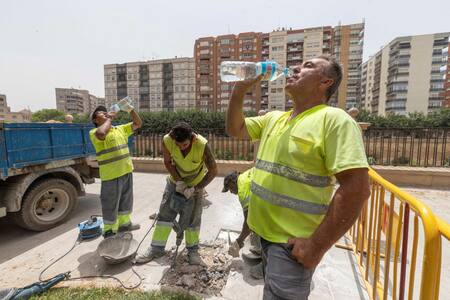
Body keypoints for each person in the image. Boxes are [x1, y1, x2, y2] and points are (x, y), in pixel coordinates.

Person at [226, 55, 370, 299]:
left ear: (325, 82)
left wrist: (316, 246)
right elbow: (235, 128)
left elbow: (356, 189)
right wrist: (239, 90)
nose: (295, 67)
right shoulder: (274, 118)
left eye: (308, 66)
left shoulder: (335, 120)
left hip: (291, 245)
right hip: (263, 236)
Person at [135, 122, 218, 265]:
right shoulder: (168, 140)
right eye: (178, 145)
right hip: (175, 183)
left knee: (193, 220)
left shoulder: (202, 145)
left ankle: (192, 251)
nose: (181, 147)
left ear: (192, 138)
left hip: (195, 184)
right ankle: (156, 248)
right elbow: (167, 162)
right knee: (165, 215)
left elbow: (213, 171)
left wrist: (196, 189)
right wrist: (179, 182)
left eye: (184, 145)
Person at [89, 103, 142, 238]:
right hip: (111, 176)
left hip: (126, 171)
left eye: (105, 112)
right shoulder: (94, 132)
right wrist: (109, 119)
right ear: (95, 120)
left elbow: (138, 123)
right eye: (101, 113)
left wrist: (131, 109)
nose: (105, 113)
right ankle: (109, 230)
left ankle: (125, 225)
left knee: (126, 201)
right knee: (110, 204)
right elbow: (101, 133)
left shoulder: (120, 129)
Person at [222, 168, 264, 280]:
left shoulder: (242, 189)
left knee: (266, 225)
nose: (231, 192)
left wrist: (238, 242)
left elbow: (248, 222)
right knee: (258, 218)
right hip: (272, 192)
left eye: (229, 188)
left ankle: (267, 266)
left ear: (232, 182)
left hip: (276, 203)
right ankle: (261, 248)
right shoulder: (245, 176)